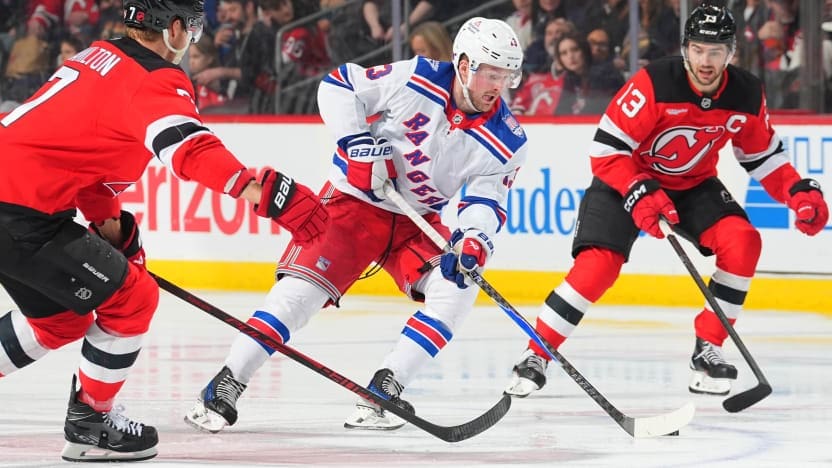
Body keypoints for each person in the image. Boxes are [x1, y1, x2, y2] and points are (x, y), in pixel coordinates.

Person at [0, 0, 328, 462]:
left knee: (59, 319)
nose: (192, 42)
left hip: (16, 204)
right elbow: (190, 150)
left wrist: (116, 236)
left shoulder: (99, 54)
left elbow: (93, 174)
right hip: (20, 211)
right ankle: (91, 424)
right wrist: (263, 193)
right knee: (133, 299)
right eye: (192, 30)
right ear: (173, 28)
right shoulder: (154, 79)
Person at [185, 16, 527, 433]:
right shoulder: (417, 76)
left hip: (415, 224)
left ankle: (382, 393)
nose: (497, 84)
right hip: (353, 204)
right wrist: (357, 143)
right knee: (298, 296)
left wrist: (474, 240)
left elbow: (486, 201)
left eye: (506, 75)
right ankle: (226, 383)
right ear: (462, 63)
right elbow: (339, 84)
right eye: (490, 73)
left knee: (458, 286)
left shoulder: (508, 139)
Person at [505, 4, 828, 398]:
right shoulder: (654, 82)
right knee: (598, 266)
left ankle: (708, 348)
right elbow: (606, 149)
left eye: (715, 51)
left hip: (693, 185)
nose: (705, 61)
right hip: (624, 180)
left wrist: (796, 191)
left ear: (731, 53)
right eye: (697, 49)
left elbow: (762, 155)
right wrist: (639, 188)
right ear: (685, 48)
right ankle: (536, 352)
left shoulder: (745, 92)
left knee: (743, 241)